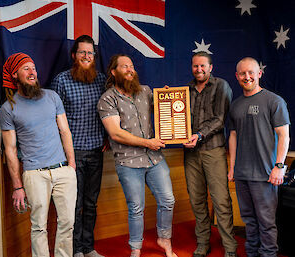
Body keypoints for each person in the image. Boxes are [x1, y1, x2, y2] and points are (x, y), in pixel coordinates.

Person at [97, 54, 177, 257]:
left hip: (154, 159)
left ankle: (164, 239)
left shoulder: (145, 91)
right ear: (114, 72)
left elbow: (164, 110)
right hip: (128, 162)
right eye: (124, 67)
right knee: (136, 208)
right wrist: (147, 142)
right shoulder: (107, 99)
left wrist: (168, 98)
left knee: (168, 200)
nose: (130, 69)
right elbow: (115, 133)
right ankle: (136, 249)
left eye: (131, 66)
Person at [0, 53, 77, 257]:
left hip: (63, 170)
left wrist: (71, 164)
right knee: (38, 227)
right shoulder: (8, 109)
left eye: (33, 67)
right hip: (34, 174)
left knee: (68, 223)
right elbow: (10, 150)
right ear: (15, 75)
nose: (32, 72)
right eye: (26, 68)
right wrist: (17, 186)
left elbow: (65, 131)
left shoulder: (52, 96)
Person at [228, 57, 290, 257]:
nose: (247, 77)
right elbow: (233, 136)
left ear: (259, 74)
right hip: (242, 173)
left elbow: (284, 135)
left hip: (265, 174)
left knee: (266, 222)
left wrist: (279, 166)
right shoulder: (236, 105)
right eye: (243, 73)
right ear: (237, 76)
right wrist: (232, 167)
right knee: (249, 220)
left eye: (251, 72)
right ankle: (252, 253)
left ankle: (268, 254)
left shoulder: (274, 101)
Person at [51, 35, 106, 257]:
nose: (86, 56)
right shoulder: (61, 81)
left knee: (91, 203)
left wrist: (108, 137)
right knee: (74, 204)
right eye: (82, 52)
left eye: (90, 53)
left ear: (94, 56)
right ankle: (75, 251)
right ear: (74, 55)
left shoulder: (102, 80)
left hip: (96, 151)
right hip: (72, 155)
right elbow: (53, 119)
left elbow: (113, 110)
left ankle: (88, 247)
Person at [183, 51, 237, 257]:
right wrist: (168, 100)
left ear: (210, 67)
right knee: (196, 200)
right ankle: (203, 242)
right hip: (190, 153)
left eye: (203, 66)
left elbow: (220, 119)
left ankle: (230, 247)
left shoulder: (221, 86)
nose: (199, 70)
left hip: (213, 150)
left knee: (220, 199)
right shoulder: (186, 90)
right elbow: (176, 115)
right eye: (195, 66)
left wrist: (199, 134)